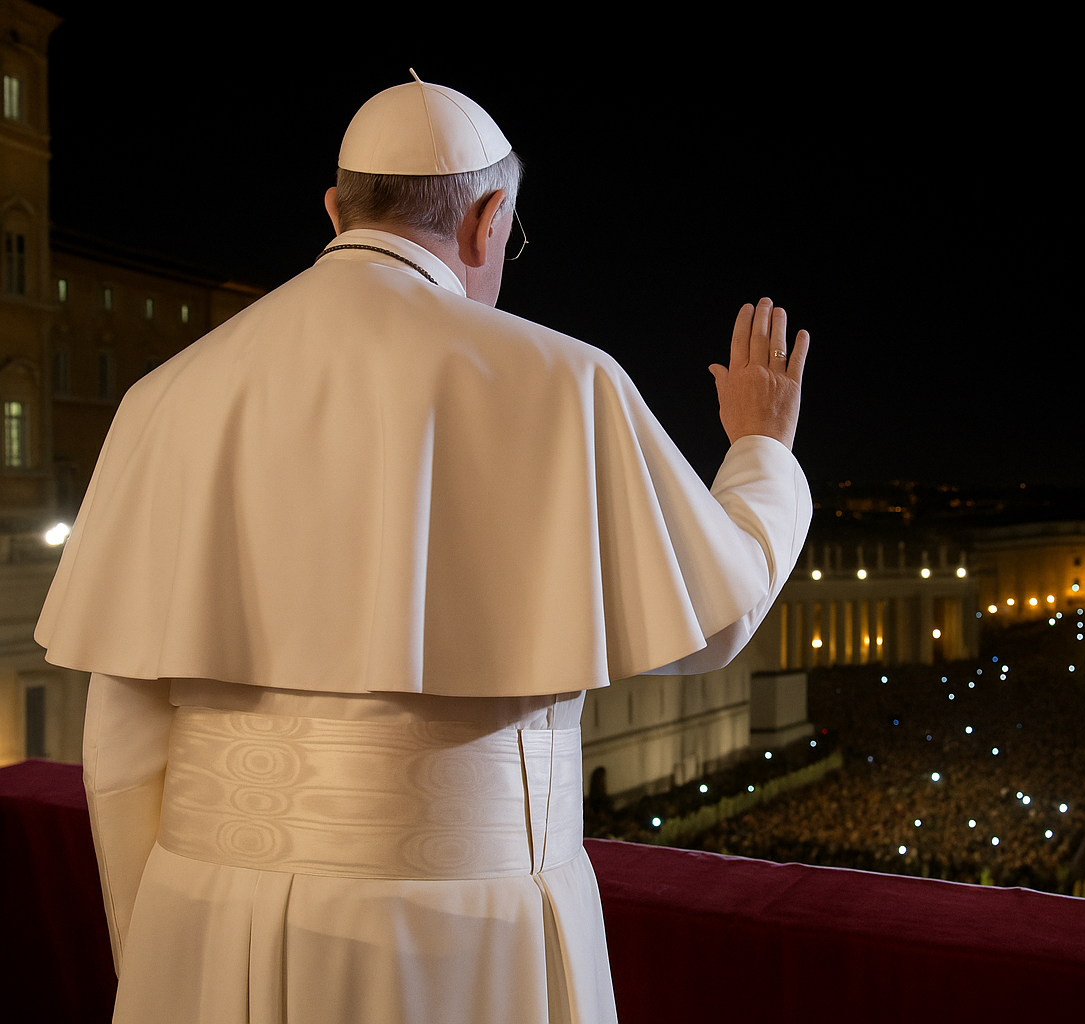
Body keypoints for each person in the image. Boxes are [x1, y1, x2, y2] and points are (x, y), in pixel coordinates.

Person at [36, 74, 812, 1024]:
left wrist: (161, 942)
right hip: (471, 934)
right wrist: (761, 451)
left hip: (205, 920)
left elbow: (120, 740)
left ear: (335, 209)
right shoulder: (566, 380)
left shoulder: (161, 397)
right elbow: (716, 619)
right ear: (490, 221)